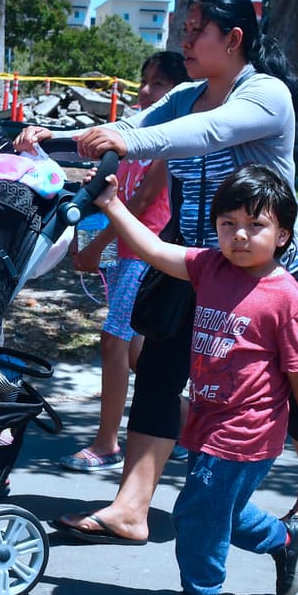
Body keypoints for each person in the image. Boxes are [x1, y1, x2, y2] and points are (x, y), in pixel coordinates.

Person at [17, 0, 298, 542]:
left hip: (270, 272)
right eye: (184, 29)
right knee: (161, 373)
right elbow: (133, 128)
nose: (183, 39)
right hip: (196, 262)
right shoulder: (184, 95)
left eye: (195, 31)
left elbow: (199, 135)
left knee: (288, 379)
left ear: (233, 38)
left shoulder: (265, 95)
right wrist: (52, 139)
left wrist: (120, 138)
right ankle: (131, 507)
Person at [92, 163, 298, 595]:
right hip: (206, 418)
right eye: (229, 224)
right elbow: (154, 249)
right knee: (221, 508)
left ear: (283, 234)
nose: (240, 236)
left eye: (255, 225)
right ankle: (285, 541)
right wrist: (111, 204)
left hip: (247, 428)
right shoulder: (210, 267)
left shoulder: (286, 298)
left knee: (195, 510)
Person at [61, 51, 186, 472]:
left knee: (114, 341)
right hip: (122, 254)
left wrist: (99, 246)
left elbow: (143, 200)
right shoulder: (132, 136)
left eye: (159, 85)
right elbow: (112, 190)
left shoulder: (170, 141)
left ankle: (106, 443)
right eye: (144, 80)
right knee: (138, 356)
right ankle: (186, 429)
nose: (147, 90)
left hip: (146, 254)